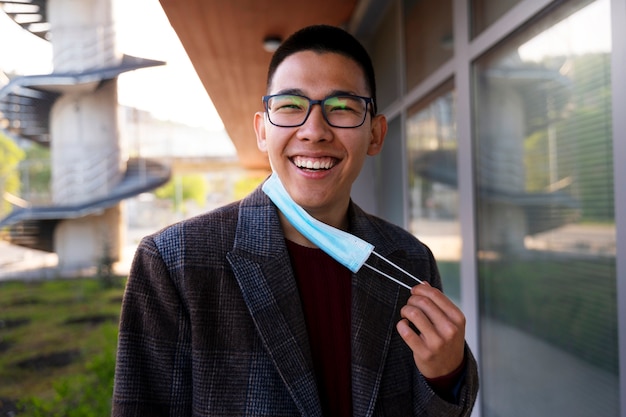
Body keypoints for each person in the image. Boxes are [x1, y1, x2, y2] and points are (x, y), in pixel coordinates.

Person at [112, 24, 479, 417]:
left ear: (375, 134)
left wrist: (446, 375)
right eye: (290, 106)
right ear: (262, 131)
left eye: (342, 108)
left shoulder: (409, 260)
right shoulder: (174, 263)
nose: (314, 131)